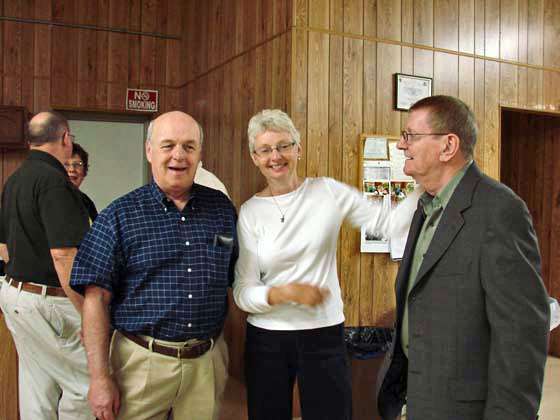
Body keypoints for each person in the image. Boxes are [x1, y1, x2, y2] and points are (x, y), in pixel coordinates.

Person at [233, 109, 421, 420]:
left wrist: (422, 182)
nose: (275, 156)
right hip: (267, 339)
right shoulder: (251, 211)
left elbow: (387, 223)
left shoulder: (327, 192)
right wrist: (283, 294)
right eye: (265, 149)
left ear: (299, 148)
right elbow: (243, 290)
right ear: (254, 157)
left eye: (283, 146)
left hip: (323, 334)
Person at [376, 95, 550, 420]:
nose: (401, 144)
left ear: (447, 146)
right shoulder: (425, 207)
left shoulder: (499, 210)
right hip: (419, 399)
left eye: (411, 135)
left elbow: (521, 334)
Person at [70, 111, 238, 420]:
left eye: (189, 146)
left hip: (206, 362)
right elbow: (95, 300)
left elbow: (228, 273)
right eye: (168, 145)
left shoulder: (221, 210)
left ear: (200, 153)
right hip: (141, 362)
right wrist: (99, 378)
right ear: (149, 151)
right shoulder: (118, 217)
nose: (179, 155)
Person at [0, 111, 92, 419]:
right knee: (86, 384)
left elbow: (4, 247)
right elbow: (64, 256)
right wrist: (86, 312)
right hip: (50, 299)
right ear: (66, 139)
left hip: (15, 294)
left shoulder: (15, 180)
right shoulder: (54, 182)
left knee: (37, 384)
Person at [65, 142, 98, 222]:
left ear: (84, 171)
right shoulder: (51, 199)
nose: (72, 169)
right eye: (66, 164)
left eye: (77, 164)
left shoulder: (87, 202)